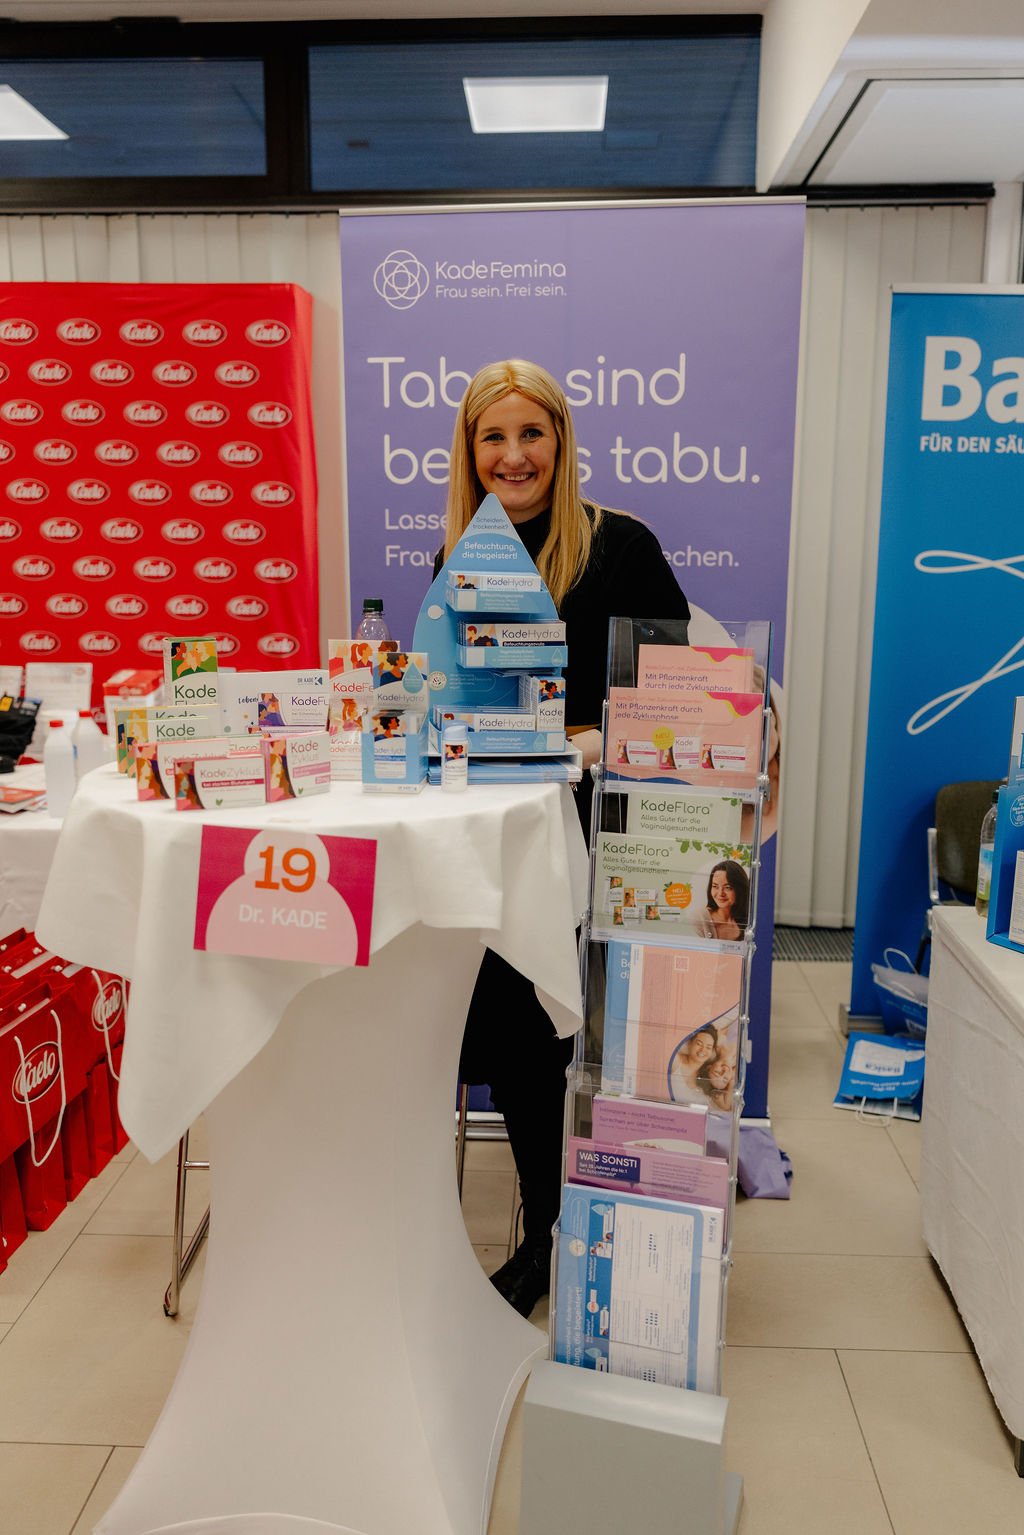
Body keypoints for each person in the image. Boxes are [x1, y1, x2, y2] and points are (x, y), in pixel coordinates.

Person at [435, 357, 689, 1318]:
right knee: (510, 1023)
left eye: (530, 434)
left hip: (608, 830)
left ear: (562, 440)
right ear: (470, 451)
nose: (514, 455)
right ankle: (546, 1231)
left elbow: (677, 700)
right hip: (503, 835)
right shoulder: (459, 556)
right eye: (493, 437)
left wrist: (583, 740)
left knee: (573, 1026)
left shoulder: (621, 546)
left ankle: (616, 1225)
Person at [696, 859, 750, 941]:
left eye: (727, 887)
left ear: (740, 889)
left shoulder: (747, 921)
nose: (720, 893)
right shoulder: (699, 918)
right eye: (715, 886)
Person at [668, 1023, 719, 1102]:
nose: (703, 1050)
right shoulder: (676, 1061)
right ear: (690, 1043)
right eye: (699, 1044)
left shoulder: (709, 1076)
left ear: (712, 1052)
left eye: (708, 1047)